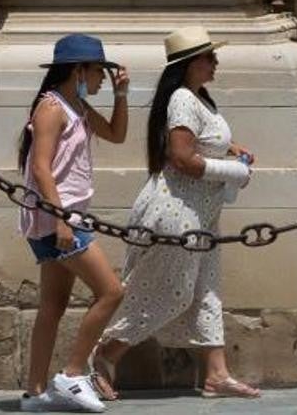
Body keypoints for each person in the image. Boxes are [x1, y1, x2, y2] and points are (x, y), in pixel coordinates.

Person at [89, 26, 261, 400]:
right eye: (209, 57)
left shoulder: (201, 99)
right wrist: (233, 171)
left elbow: (204, 144)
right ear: (189, 64)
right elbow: (181, 157)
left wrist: (234, 153)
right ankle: (105, 354)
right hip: (176, 213)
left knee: (206, 291)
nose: (216, 62)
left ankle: (217, 375)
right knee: (170, 294)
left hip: (202, 213)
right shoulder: (182, 99)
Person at [18, 34, 130, 413]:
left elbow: (116, 135)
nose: (101, 78)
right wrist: (61, 219)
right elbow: (41, 167)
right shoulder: (52, 108)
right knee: (112, 291)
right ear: (78, 70)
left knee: (53, 305)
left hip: (65, 216)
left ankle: (34, 394)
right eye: (99, 71)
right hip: (60, 219)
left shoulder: (76, 105)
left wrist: (121, 96)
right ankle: (72, 373)